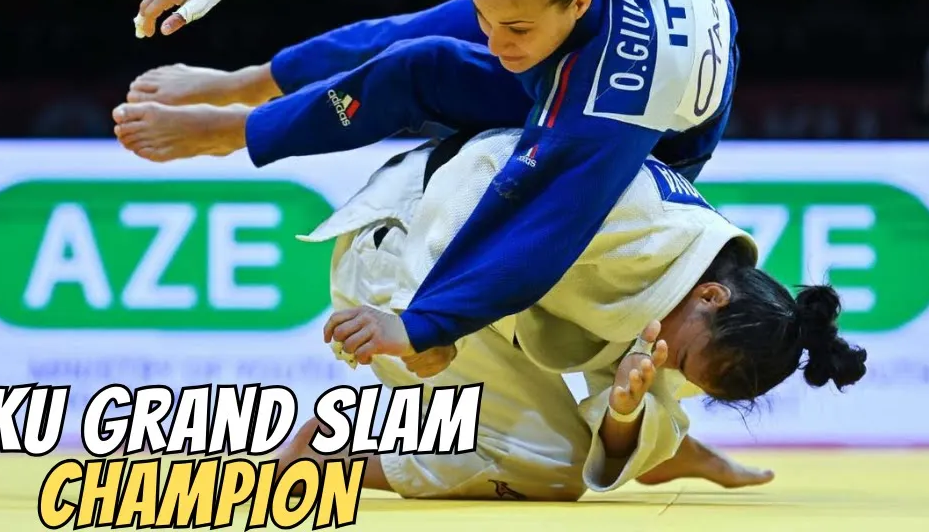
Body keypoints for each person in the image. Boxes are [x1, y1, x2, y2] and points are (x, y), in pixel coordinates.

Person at [116, 0, 740, 371]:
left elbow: (540, 218)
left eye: (515, 30)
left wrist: (426, 325)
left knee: (501, 168)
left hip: (661, 140)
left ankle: (242, 129)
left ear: (577, 3)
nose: (495, 43)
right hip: (600, 23)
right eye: (488, 18)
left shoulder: (611, 98)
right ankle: (248, 87)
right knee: (415, 45)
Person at [271, 127, 867, 500]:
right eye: (684, 362)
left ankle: (662, 452)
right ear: (712, 297)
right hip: (406, 255)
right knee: (553, 467)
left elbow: (661, 370)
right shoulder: (636, 219)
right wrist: (422, 320)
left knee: (625, 407)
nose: (674, 370)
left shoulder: (694, 276)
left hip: (472, 299)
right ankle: (335, 453)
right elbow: (485, 162)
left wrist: (626, 412)